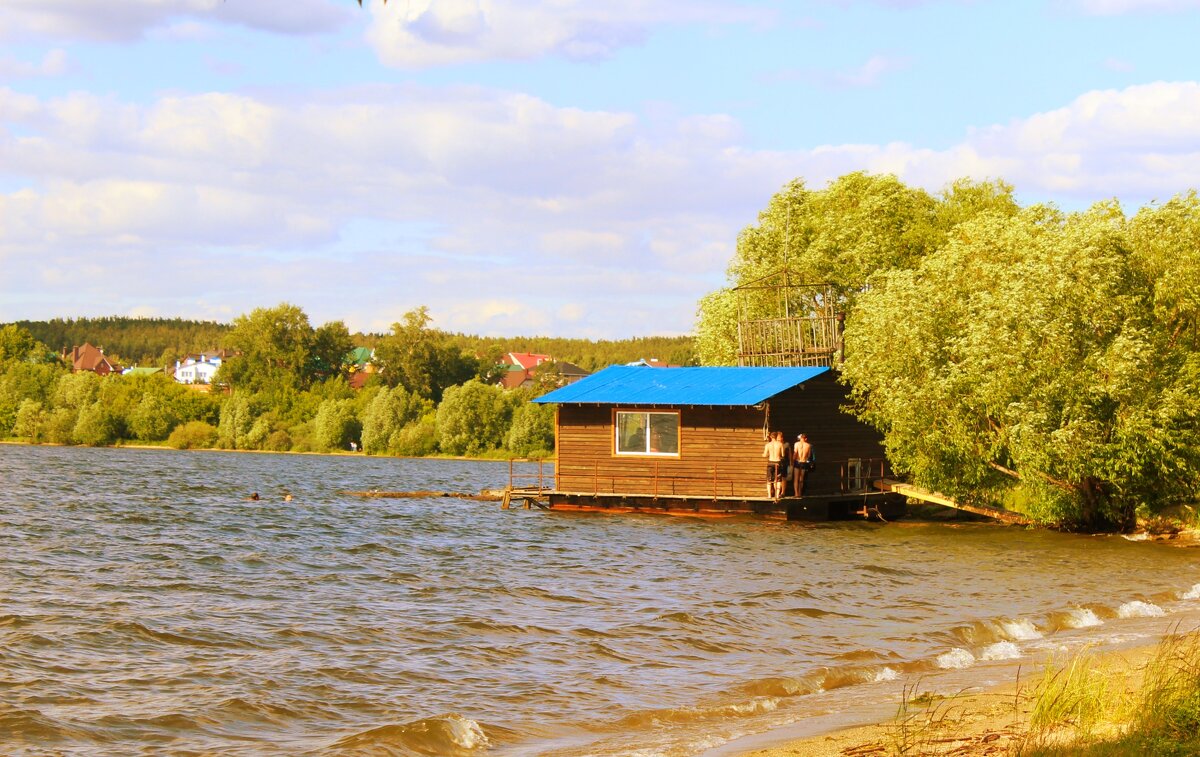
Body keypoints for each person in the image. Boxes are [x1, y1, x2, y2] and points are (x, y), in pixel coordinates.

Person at [762, 430, 786, 499]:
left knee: (769, 479)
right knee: (778, 480)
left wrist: (763, 454)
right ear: (776, 437)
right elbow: (783, 455)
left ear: (770, 437)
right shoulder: (780, 444)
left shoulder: (768, 445)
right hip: (777, 462)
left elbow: (765, 455)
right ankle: (777, 495)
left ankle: (769, 495)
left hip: (770, 462)